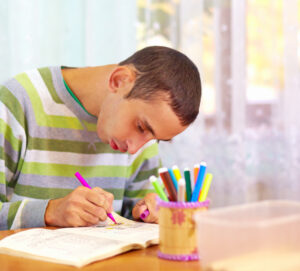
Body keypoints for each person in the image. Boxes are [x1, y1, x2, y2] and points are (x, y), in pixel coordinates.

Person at [0, 46, 201, 230]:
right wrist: (49, 211)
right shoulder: (19, 101)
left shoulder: (144, 136)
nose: (135, 149)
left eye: (155, 139)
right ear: (119, 81)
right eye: (140, 126)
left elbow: (138, 225)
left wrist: (152, 213)